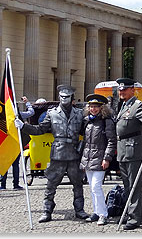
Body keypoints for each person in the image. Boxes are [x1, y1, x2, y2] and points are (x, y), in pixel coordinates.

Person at [16, 85, 89, 223]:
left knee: (78, 183)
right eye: (62, 97)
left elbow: (87, 131)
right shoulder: (52, 113)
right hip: (58, 154)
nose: (64, 99)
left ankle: (79, 210)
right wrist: (24, 126)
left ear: (72, 98)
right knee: (51, 184)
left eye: (67, 97)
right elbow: (41, 129)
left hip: (74, 153)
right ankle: (47, 210)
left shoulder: (80, 113)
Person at [115, 77, 142, 231]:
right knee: (127, 186)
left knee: (134, 186)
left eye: (125, 89)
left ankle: (134, 218)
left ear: (132, 90)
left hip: (133, 150)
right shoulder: (122, 105)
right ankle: (128, 213)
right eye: (120, 90)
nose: (121, 92)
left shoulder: (137, 105)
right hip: (123, 151)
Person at [81, 94, 117, 226]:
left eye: (96, 106)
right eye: (91, 106)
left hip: (100, 157)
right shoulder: (87, 121)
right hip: (88, 157)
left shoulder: (106, 121)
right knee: (91, 187)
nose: (93, 109)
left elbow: (111, 141)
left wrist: (107, 158)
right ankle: (96, 212)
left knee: (96, 186)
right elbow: (85, 141)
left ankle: (103, 214)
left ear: (102, 108)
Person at [0, 96, 34, 191]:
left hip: (8, 144)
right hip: (15, 143)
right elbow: (31, 112)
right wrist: (27, 102)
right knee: (15, 164)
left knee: (7, 164)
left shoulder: (2, 117)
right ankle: (15, 184)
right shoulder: (18, 115)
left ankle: (4, 184)